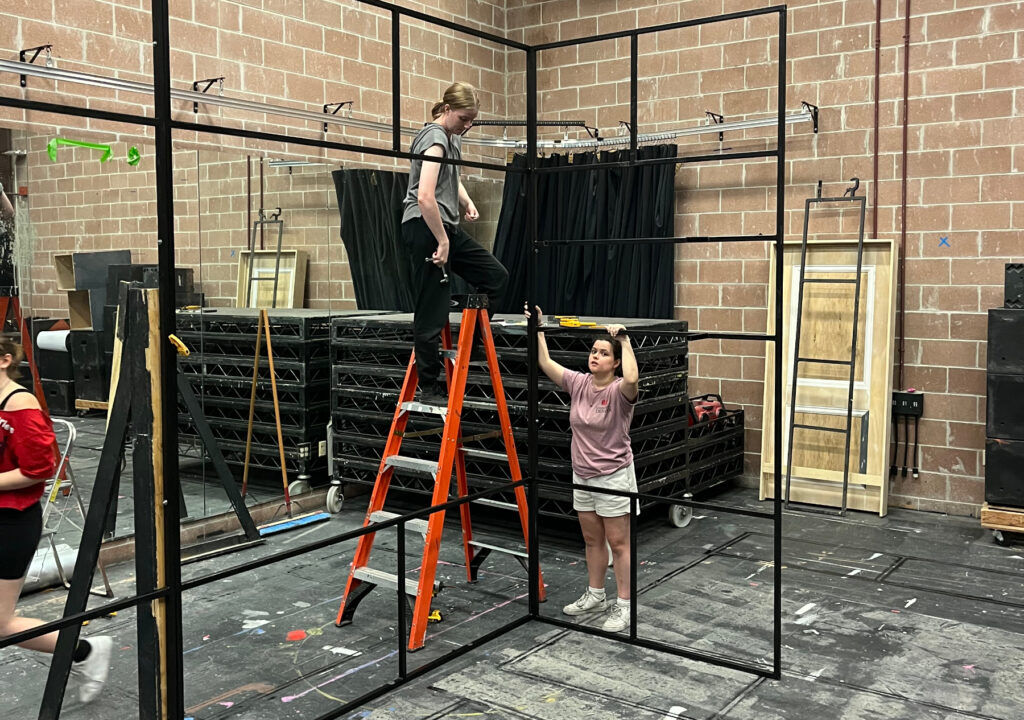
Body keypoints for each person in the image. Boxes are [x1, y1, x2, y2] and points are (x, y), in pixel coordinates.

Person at [0, 337, 112, 703]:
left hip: (10, 522)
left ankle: (84, 651)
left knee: (1, 624)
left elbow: (39, 469)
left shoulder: (19, 406)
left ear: (4, 361)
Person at [526, 305, 639, 632]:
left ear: (614, 363)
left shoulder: (620, 391)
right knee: (592, 540)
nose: (595, 356)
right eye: (594, 351)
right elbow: (545, 362)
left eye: (604, 353)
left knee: (618, 543)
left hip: (614, 475)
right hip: (583, 475)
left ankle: (624, 605)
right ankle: (595, 595)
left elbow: (632, 377)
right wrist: (539, 327)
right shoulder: (578, 383)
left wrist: (626, 340)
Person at [402, 82, 508, 406]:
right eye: (464, 118)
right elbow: (424, 196)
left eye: (472, 119)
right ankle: (430, 386)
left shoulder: (452, 137)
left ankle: (468, 346)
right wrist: (443, 240)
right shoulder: (434, 139)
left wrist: (465, 201)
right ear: (447, 110)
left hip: (444, 223)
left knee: (496, 276)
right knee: (431, 307)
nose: (468, 125)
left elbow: (451, 178)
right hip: (424, 226)